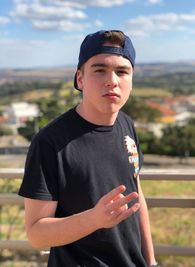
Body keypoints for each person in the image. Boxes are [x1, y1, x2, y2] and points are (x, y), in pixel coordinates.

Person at [18, 30, 159, 267]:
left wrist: (152, 262)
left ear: (132, 80)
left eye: (122, 71)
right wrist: (94, 219)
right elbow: (36, 233)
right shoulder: (50, 141)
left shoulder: (126, 124)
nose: (112, 80)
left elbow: (137, 195)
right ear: (80, 79)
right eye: (99, 69)